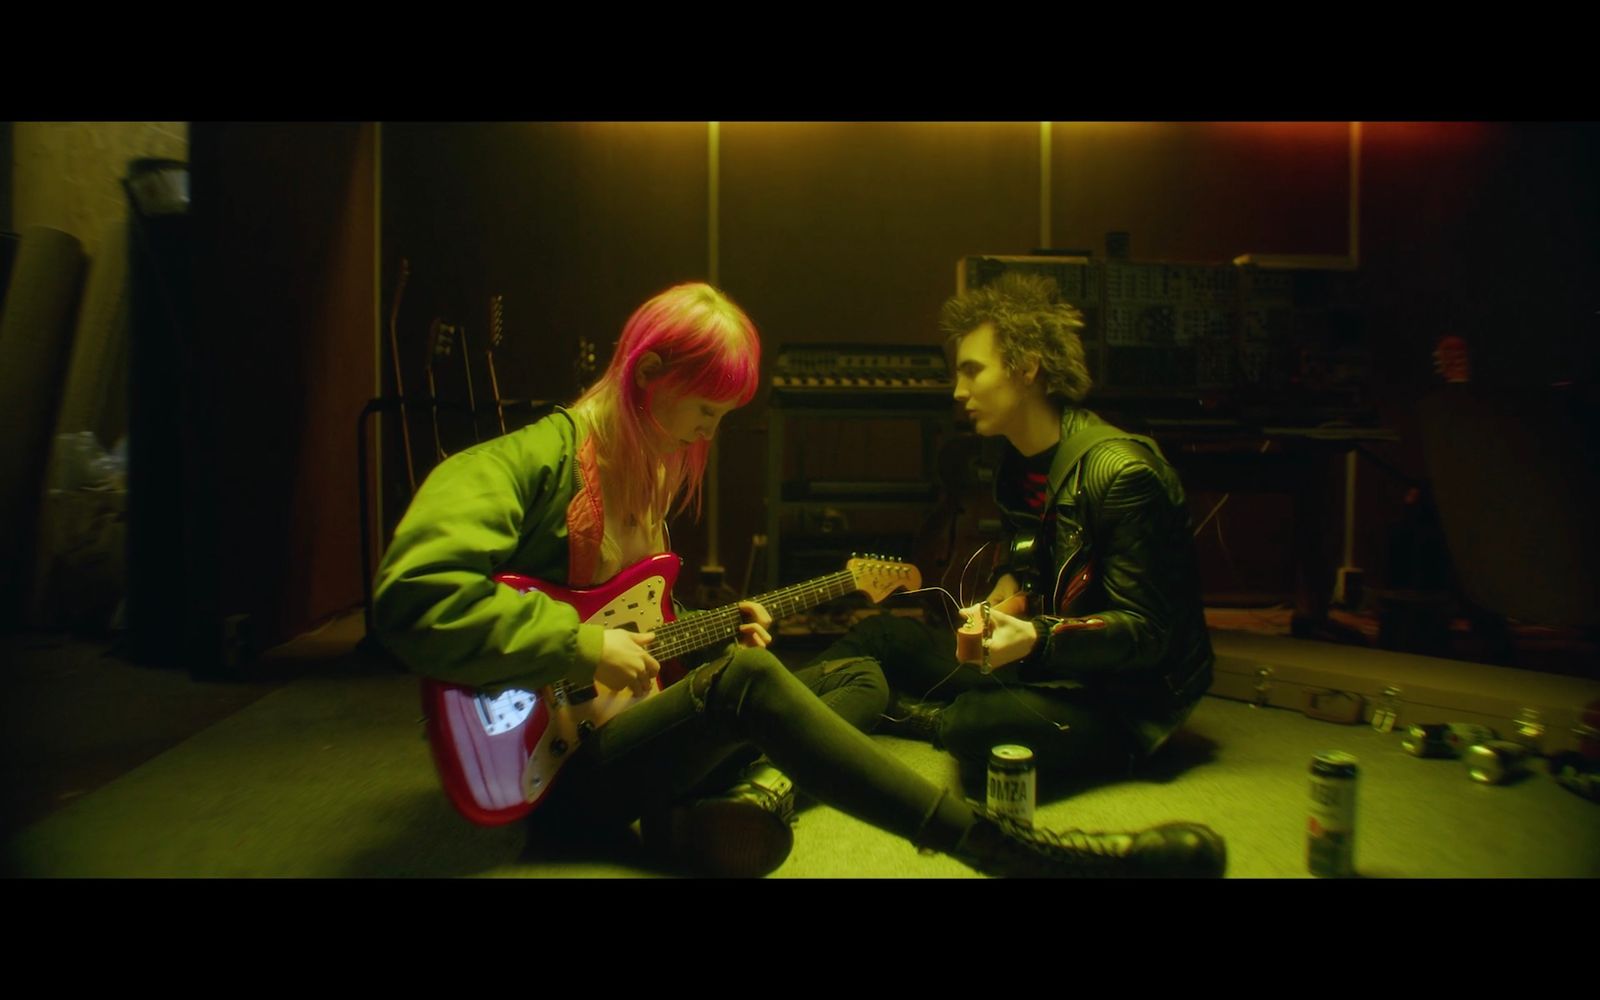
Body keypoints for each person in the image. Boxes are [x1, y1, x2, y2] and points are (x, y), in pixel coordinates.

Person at [374, 281, 1224, 878]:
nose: (706, 436)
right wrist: (583, 641)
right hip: (548, 776)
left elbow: (634, 648)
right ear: (648, 376)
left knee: (849, 670)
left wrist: (694, 637)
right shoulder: (522, 463)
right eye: (705, 413)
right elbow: (413, 601)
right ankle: (1004, 850)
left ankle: (746, 801)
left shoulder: (647, 479)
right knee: (749, 683)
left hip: (617, 737)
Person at [821, 273, 1217, 787]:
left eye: (972, 372)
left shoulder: (1123, 473)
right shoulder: (1015, 466)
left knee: (975, 725)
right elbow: (1031, 562)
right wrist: (1006, 596)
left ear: (1027, 368)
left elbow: (1148, 634)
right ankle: (771, 714)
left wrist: (1033, 636)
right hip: (1048, 663)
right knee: (881, 636)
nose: (958, 391)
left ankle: (900, 712)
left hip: (1126, 700)